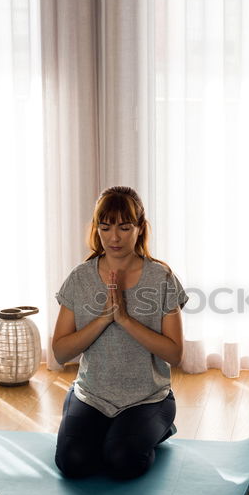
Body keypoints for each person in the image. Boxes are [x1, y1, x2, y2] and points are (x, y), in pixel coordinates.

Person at [51, 186, 187, 480]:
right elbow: (61, 352)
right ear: (96, 229)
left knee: (123, 460)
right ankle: (82, 413)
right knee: (72, 463)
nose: (114, 237)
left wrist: (125, 319)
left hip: (148, 398)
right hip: (92, 396)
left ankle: (157, 427)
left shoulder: (162, 278)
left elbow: (175, 354)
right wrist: (104, 319)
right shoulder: (80, 278)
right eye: (105, 227)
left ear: (140, 229)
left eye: (125, 227)